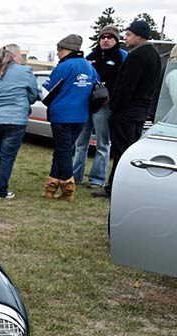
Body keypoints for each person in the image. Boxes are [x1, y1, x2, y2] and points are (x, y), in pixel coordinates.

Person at [92, 20, 162, 198]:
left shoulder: (137, 55)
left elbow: (126, 85)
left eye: (129, 34)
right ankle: (125, 186)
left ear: (139, 36)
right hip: (141, 110)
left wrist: (115, 106)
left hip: (128, 111)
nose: (126, 37)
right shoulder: (154, 54)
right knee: (129, 149)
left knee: (121, 151)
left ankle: (115, 188)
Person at [40, 34, 99, 201]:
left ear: (66, 49)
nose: (57, 53)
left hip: (62, 115)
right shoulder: (88, 66)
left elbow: (45, 92)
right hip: (81, 116)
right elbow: (98, 89)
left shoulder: (65, 66)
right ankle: (50, 188)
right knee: (62, 150)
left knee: (64, 151)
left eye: (59, 50)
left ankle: (68, 188)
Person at [0, 44, 39, 199]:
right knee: (7, 157)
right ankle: (0, 191)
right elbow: (33, 95)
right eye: (19, 55)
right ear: (13, 56)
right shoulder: (25, 71)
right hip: (15, 119)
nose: (20, 59)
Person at [72, 25, 127, 189]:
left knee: (102, 144)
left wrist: (112, 99)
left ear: (116, 40)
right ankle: (76, 176)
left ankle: (97, 179)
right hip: (86, 104)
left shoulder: (122, 56)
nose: (105, 40)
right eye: (103, 37)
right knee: (81, 143)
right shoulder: (91, 56)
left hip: (104, 106)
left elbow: (125, 81)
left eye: (110, 37)